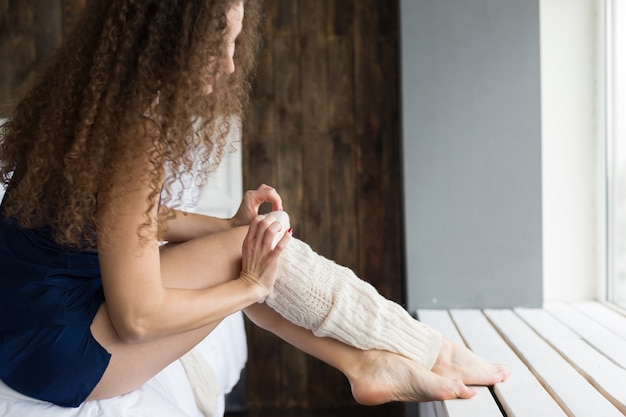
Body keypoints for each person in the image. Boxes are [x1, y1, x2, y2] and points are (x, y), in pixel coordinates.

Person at [0, 0, 509, 409]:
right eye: (216, 40)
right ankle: (428, 350)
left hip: (28, 320)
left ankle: (367, 365)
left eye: (234, 40)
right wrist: (249, 286)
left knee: (248, 246)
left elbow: (130, 219)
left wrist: (224, 227)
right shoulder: (133, 131)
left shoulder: (95, 99)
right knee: (254, 255)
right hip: (56, 348)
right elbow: (137, 319)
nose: (227, 63)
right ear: (165, 36)